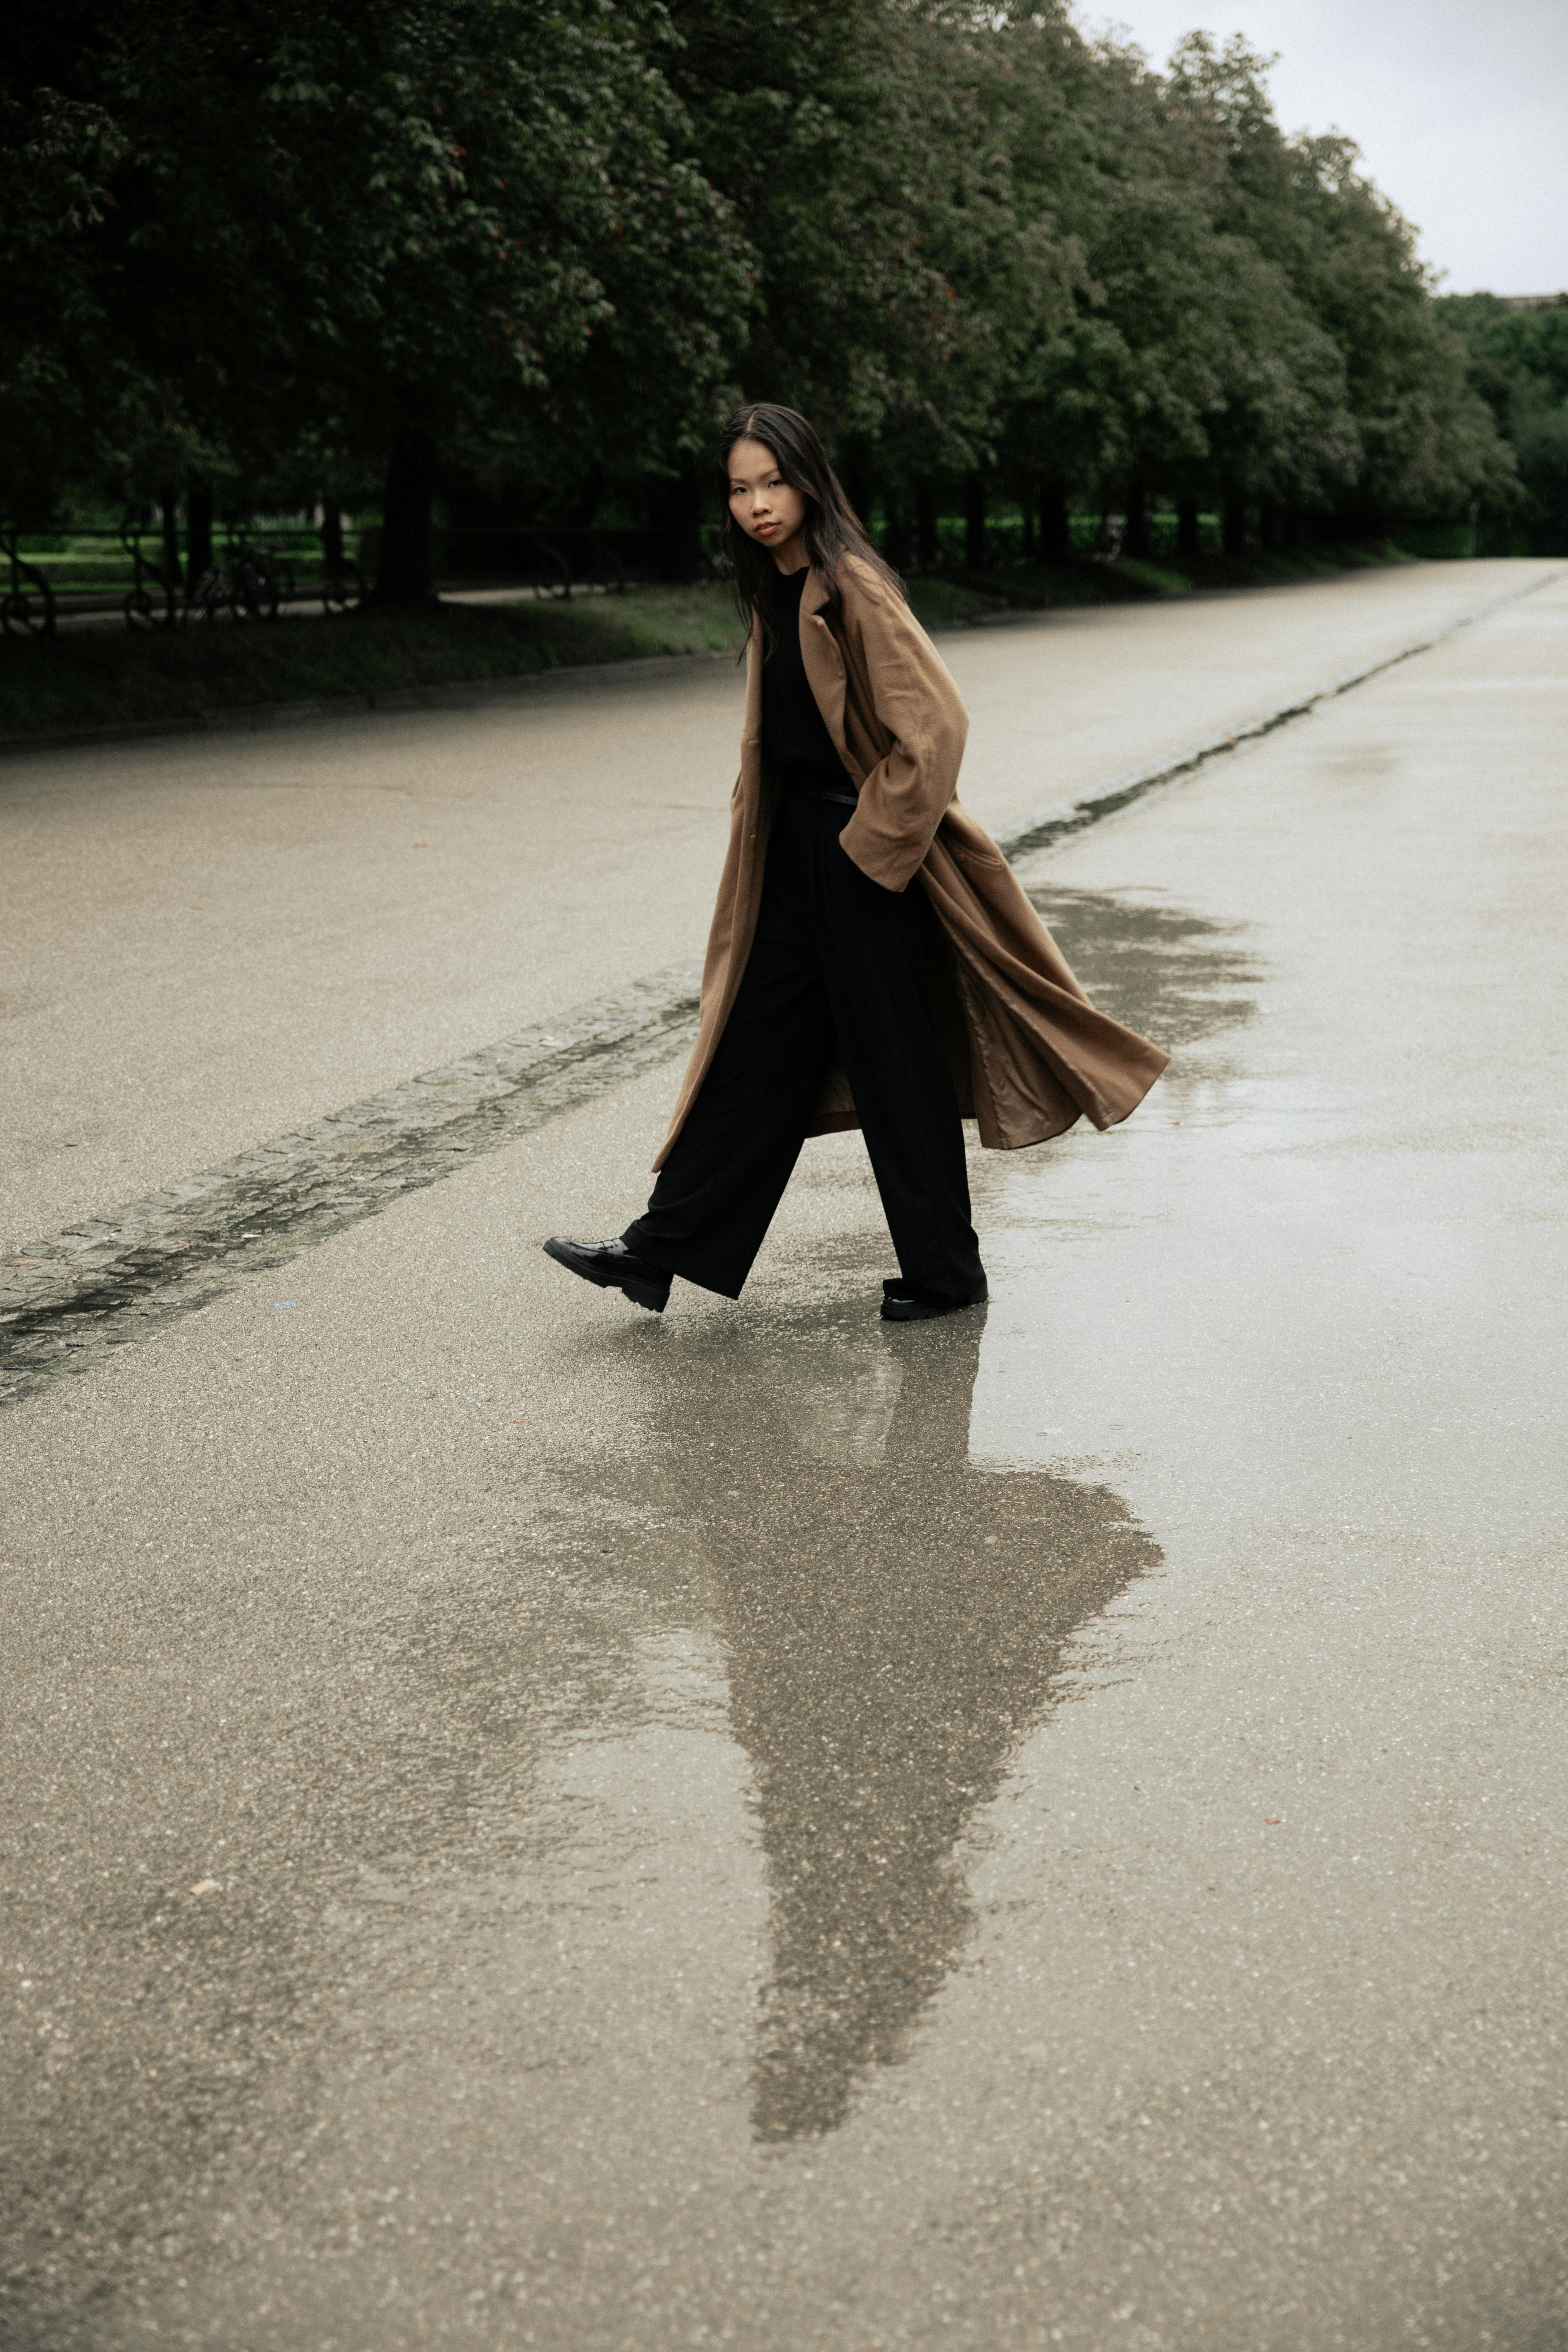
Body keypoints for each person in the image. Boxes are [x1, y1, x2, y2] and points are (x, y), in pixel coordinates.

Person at [544, 402, 1168, 1323]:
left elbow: (936, 727)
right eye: (739, 489)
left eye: (772, 483)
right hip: (798, 857)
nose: (757, 504)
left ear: (807, 481)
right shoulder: (777, 589)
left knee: (893, 1063)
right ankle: (660, 1249)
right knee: (757, 1049)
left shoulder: (850, 585)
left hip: (861, 856)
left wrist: (865, 852)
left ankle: (946, 1274)